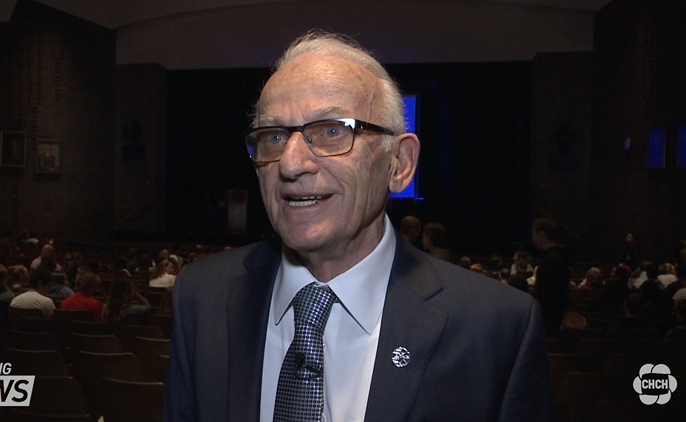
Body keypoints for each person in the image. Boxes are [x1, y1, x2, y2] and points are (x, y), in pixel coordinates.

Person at [165, 31, 552, 421]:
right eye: (275, 136)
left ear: (400, 164)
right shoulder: (202, 298)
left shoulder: (497, 327)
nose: (291, 162)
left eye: (333, 131)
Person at [531, 218, 571, 338]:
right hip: (555, 317)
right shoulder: (560, 257)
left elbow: (547, 294)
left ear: (542, 234)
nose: (533, 239)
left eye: (534, 234)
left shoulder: (551, 260)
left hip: (549, 320)